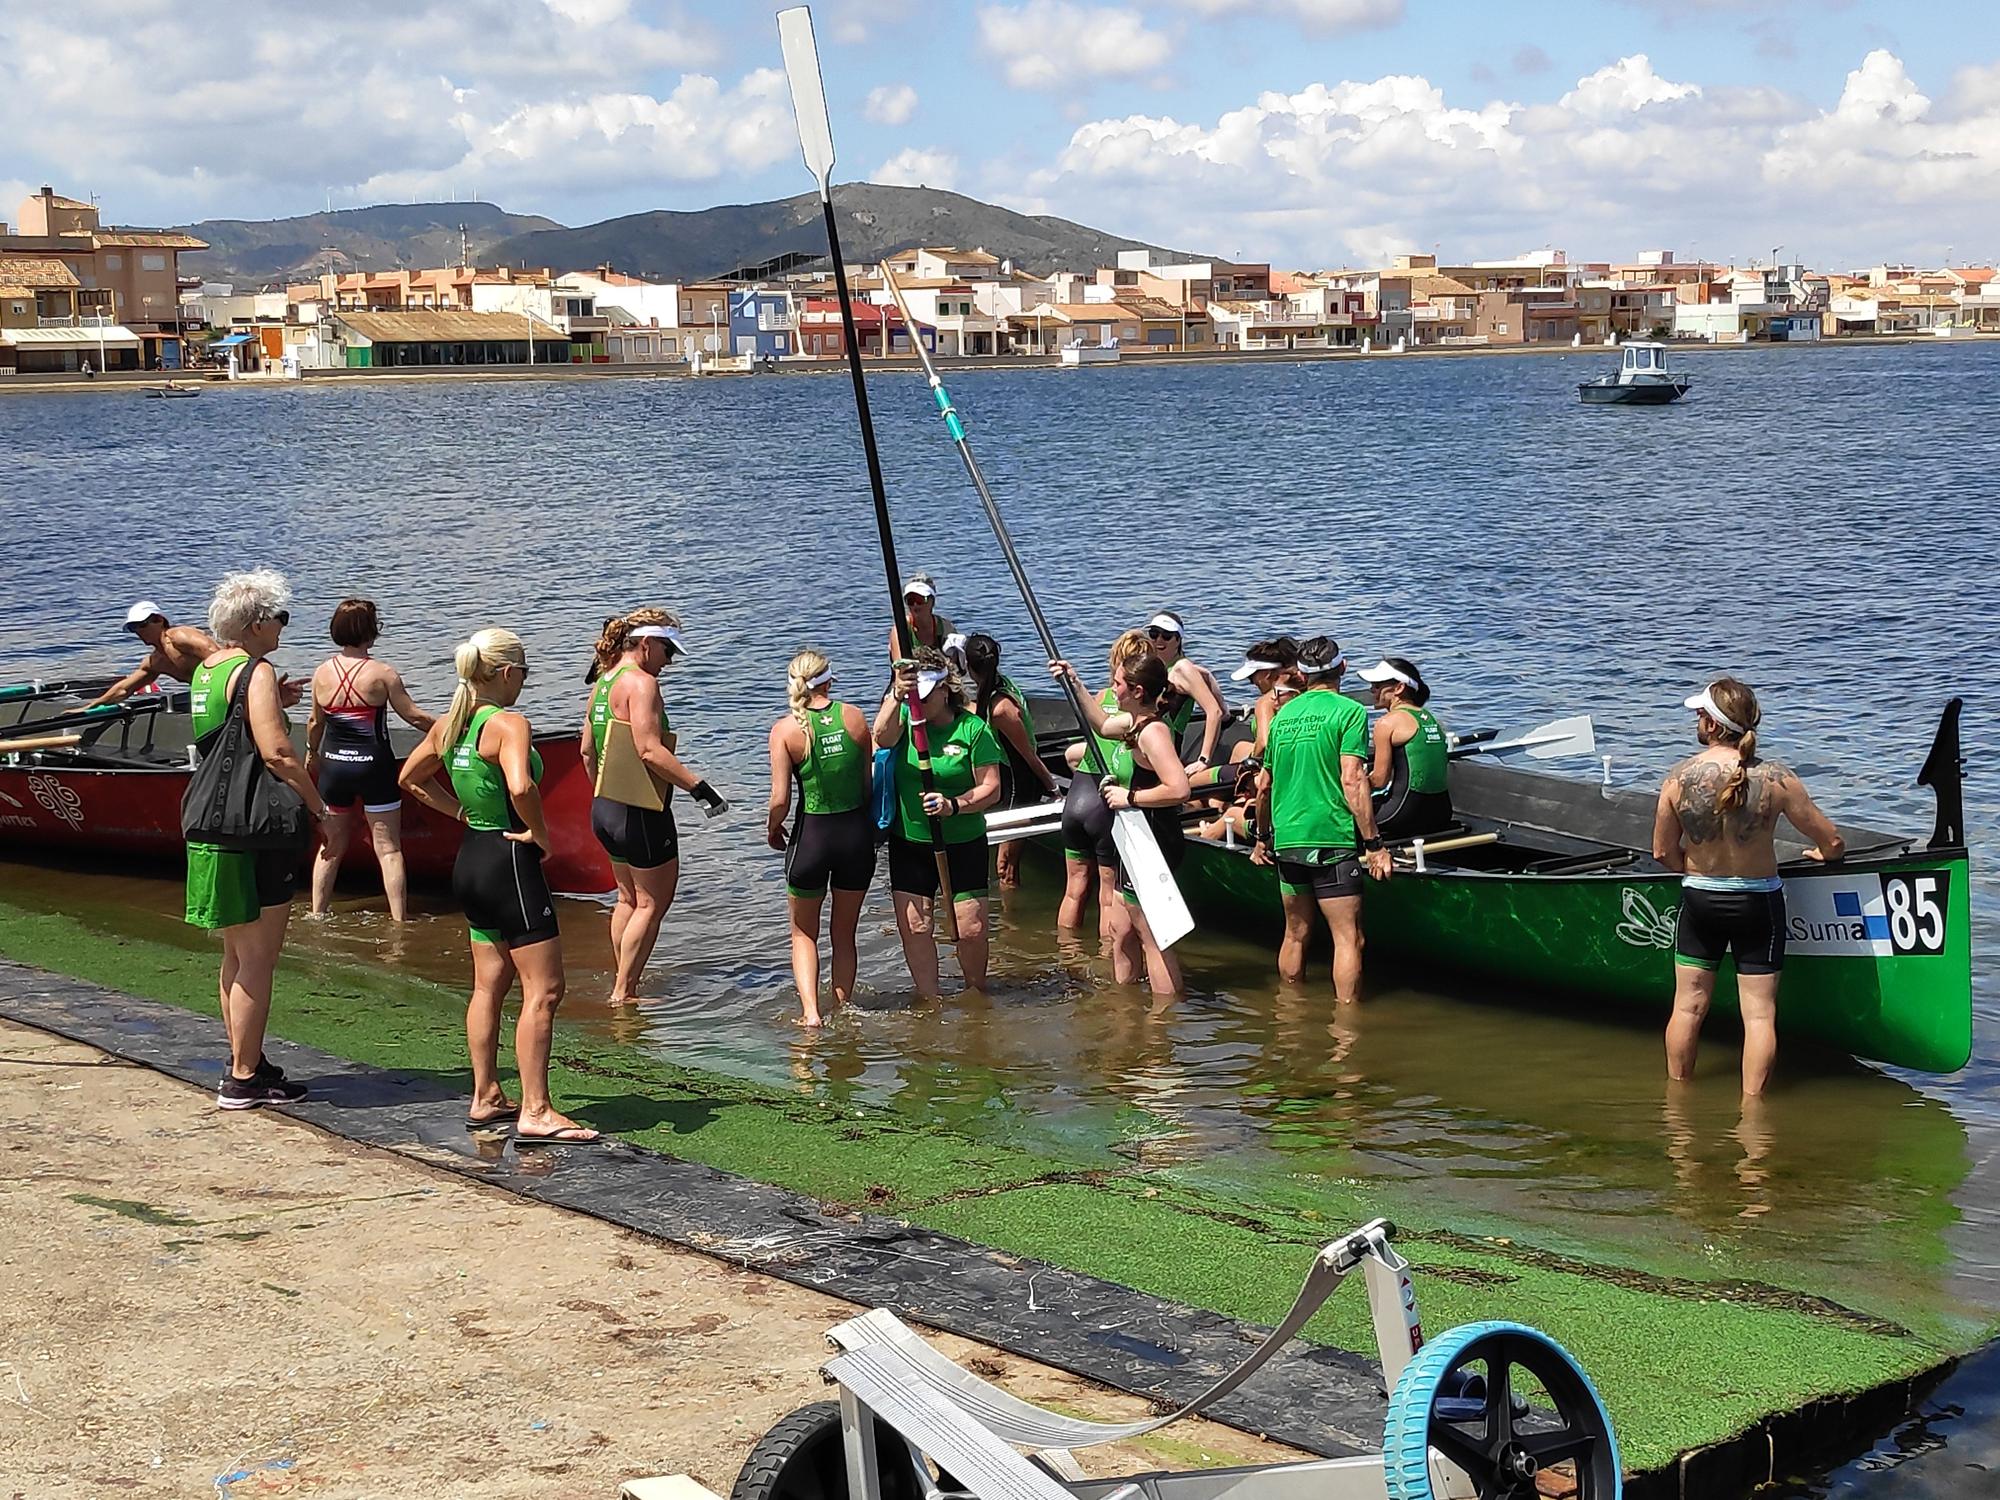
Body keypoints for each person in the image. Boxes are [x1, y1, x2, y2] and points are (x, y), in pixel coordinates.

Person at [400, 629, 597, 1143]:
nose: (524, 683)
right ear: (507, 673)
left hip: (473, 858)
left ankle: (486, 1095)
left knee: (489, 985)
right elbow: (520, 785)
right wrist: (540, 833)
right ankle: (536, 1110)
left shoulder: (450, 724)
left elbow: (410, 779)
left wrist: (458, 811)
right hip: (511, 859)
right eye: (525, 673)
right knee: (545, 990)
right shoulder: (509, 724)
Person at [1653, 678, 1845, 1097]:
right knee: (1758, 1016)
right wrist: (1823, 856)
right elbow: (1831, 842)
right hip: (1757, 902)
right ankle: (1755, 1116)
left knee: (1688, 1006)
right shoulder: (1777, 779)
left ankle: (1677, 1099)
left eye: (1700, 714)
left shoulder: (1678, 778)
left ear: (1714, 724)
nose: (1696, 721)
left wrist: (1696, 865)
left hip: (1700, 898)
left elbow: (1661, 851)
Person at [183, 570, 328, 1109]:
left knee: (235, 952)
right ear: (256, 623)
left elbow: (227, 729)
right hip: (254, 825)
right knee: (260, 957)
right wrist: (321, 808)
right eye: (279, 618)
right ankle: (243, 1077)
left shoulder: (208, 670)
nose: (283, 628)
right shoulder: (255, 670)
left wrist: (272, 698)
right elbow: (276, 753)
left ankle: (244, 1058)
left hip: (207, 818)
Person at [579, 610, 724, 1005]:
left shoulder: (604, 681)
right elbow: (648, 750)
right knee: (652, 903)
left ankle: (622, 980)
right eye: (667, 650)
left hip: (605, 807)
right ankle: (624, 992)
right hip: (640, 811)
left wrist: (603, 794)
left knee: (626, 899)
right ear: (646, 645)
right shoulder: (642, 684)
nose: (670, 660)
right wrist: (700, 789)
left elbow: (586, 750)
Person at [1253, 636, 1392, 1002]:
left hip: (1288, 840)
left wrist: (1262, 837)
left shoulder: (1282, 718)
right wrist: (1374, 845)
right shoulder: (1349, 712)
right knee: (1348, 938)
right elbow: (1353, 779)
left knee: (1295, 935)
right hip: (1330, 838)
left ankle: (1290, 1015)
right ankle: (1346, 1031)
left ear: (1299, 674)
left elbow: (1264, 785)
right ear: (1342, 668)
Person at [1053, 650, 1190, 994]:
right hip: (1131, 836)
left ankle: (1164, 1020)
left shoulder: (1153, 733)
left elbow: (1179, 788)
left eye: (1117, 684)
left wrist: (1130, 797)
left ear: (1137, 691)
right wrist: (1074, 682)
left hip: (1154, 840)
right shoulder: (1132, 723)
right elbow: (1100, 725)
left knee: (1150, 934)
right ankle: (1125, 1003)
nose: (1113, 690)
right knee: (1120, 928)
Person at [873, 645, 1003, 998]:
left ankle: (977, 995)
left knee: (971, 927)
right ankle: (930, 999)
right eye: (914, 697)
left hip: (962, 843)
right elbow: (880, 737)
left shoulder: (972, 729)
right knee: (917, 925)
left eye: (925, 698)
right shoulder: (904, 717)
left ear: (945, 690)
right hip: (912, 844)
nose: (919, 704)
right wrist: (896, 695)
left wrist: (954, 805)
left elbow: (991, 789)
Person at [305, 598, 435, 921]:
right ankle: (399, 920)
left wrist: (311, 753)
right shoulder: (383, 674)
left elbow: (314, 723)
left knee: (331, 847)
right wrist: (454, 725)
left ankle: (317, 914)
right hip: (374, 766)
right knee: (388, 850)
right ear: (371, 632)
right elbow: (414, 717)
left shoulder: (321, 673)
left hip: (333, 766)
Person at [766, 649, 874, 1026]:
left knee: (803, 933)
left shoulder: (785, 730)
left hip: (811, 839)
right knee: (844, 933)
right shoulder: (855, 717)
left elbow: (781, 800)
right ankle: (843, 1011)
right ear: (829, 679)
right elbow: (867, 785)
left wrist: (771, 828)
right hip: (855, 838)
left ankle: (811, 1014)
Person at [1058, 629, 1152, 934]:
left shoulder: (1099, 697)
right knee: (1109, 894)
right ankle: (1106, 957)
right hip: (1104, 801)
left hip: (1077, 797)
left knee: (1074, 886)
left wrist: (1074, 681)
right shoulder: (1139, 712)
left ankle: (1067, 950)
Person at [962, 633, 1056, 888]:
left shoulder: (1002, 708)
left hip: (1020, 785)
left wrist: (1053, 789)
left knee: (1005, 867)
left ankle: (1010, 924)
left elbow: (1029, 754)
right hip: (1006, 777)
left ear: (969, 668)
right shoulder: (991, 688)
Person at [1358, 657, 1453, 840]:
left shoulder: (1386, 723)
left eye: (1377, 686)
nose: (1371, 690)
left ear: (1399, 688)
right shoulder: (1431, 718)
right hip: (1441, 813)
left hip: (1404, 813)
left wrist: (1354, 787)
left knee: (1345, 814)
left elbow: (1379, 780)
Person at [1144, 611, 1229, 773]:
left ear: (1178, 640)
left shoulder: (1183, 669)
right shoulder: (1159, 668)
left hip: (1167, 750)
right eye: (1154, 634)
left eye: (1166, 636)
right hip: (1151, 744)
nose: (1159, 640)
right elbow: (1207, 677)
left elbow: (1215, 712)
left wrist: (1203, 759)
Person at [887, 573, 955, 663]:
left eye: (920, 600)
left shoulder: (946, 628)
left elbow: (955, 665)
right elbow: (899, 668)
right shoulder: (900, 630)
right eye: (911, 600)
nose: (915, 605)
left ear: (932, 602)